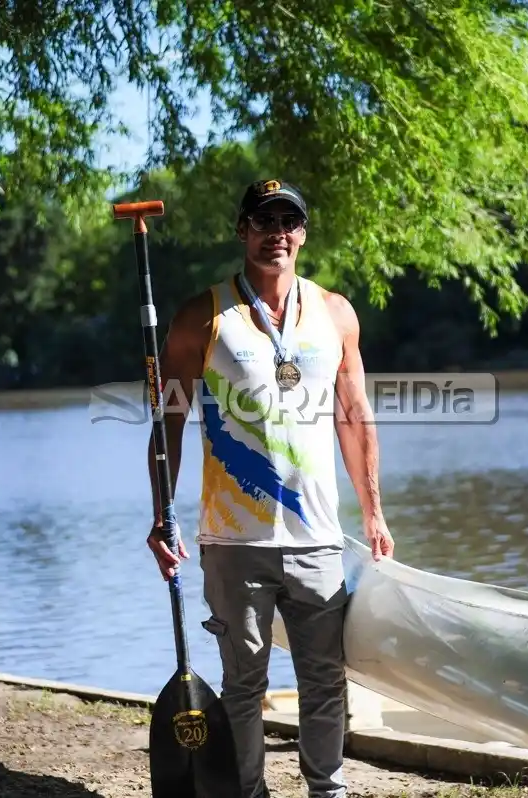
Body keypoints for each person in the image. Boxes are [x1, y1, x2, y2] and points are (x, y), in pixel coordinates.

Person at [145, 178, 394, 798]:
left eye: (288, 221)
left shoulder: (336, 313)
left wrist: (374, 513)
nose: (276, 232)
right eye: (263, 220)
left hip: (317, 538)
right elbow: (166, 424)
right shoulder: (202, 316)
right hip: (234, 541)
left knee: (325, 680)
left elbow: (355, 417)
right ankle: (248, 793)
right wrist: (160, 516)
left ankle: (326, 790)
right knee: (243, 686)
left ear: (303, 233)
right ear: (242, 230)